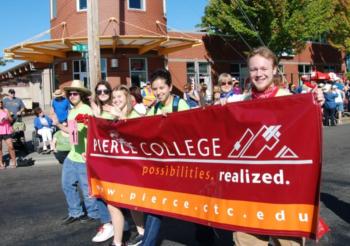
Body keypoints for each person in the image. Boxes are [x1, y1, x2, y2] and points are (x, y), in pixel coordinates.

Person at [233, 46, 324, 246]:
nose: (259, 74)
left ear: (274, 70)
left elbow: (307, 139)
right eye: (254, 69)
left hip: (285, 195)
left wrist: (315, 104)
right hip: (250, 194)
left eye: (264, 68)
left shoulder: (290, 100)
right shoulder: (241, 103)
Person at [144, 69, 189, 246]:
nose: (158, 92)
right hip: (160, 166)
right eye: (155, 89)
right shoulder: (154, 107)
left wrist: (170, 122)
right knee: (154, 207)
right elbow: (142, 129)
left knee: (196, 203)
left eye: (162, 87)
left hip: (180, 166)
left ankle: (205, 235)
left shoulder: (181, 105)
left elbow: (190, 132)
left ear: (170, 87)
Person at [52, 80, 100, 225]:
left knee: (87, 189)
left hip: (84, 157)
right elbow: (72, 134)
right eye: (70, 94)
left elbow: (93, 130)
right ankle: (75, 212)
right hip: (72, 155)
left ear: (81, 95)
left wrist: (86, 126)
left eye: (75, 93)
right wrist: (58, 124)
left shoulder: (86, 110)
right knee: (67, 185)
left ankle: (93, 213)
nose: (72, 96)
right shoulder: (72, 111)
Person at [103, 85, 145, 246]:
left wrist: (119, 116)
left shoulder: (135, 114)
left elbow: (135, 135)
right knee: (117, 202)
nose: (116, 100)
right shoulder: (112, 117)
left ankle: (142, 233)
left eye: (119, 97)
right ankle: (120, 240)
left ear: (127, 98)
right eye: (114, 98)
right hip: (118, 165)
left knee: (134, 203)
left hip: (134, 166)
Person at [87, 80, 116, 243]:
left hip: (115, 157)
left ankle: (121, 226)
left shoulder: (114, 107)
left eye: (105, 91)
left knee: (115, 193)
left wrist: (112, 112)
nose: (103, 94)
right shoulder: (96, 109)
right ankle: (108, 224)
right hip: (100, 155)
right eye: (99, 92)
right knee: (99, 190)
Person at [0, 99, 16, 169]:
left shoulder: (6, 110)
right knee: (0, 148)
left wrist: (9, 118)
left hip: (7, 130)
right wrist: (2, 120)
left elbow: (11, 120)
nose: (0, 104)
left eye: (1, 103)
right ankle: (1, 163)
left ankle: (14, 161)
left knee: (11, 147)